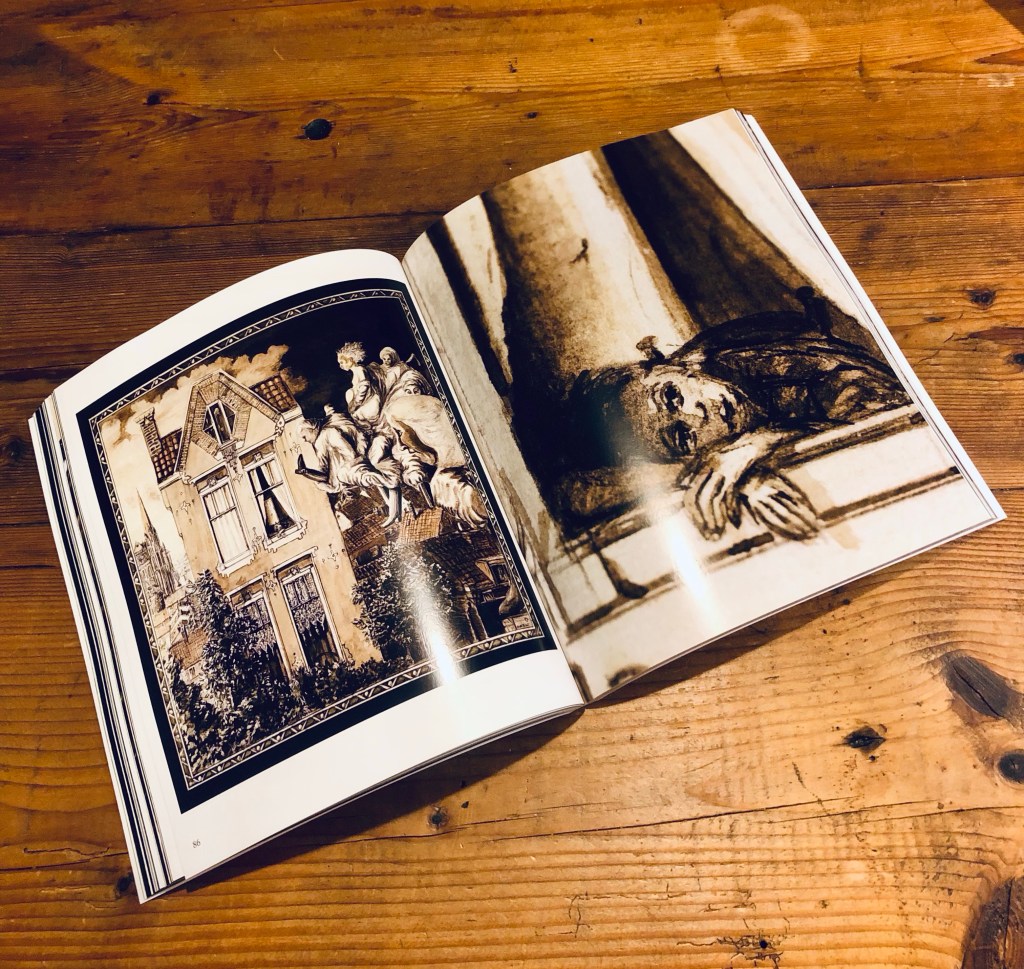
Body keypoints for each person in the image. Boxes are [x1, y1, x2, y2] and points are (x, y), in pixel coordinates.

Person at [554, 308, 914, 541]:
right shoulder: (719, 442)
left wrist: (753, 447)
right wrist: (732, 470)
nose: (698, 414)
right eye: (683, 436)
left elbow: (882, 402)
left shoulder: (746, 361)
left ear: (672, 366)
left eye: (672, 396)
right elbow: (574, 496)